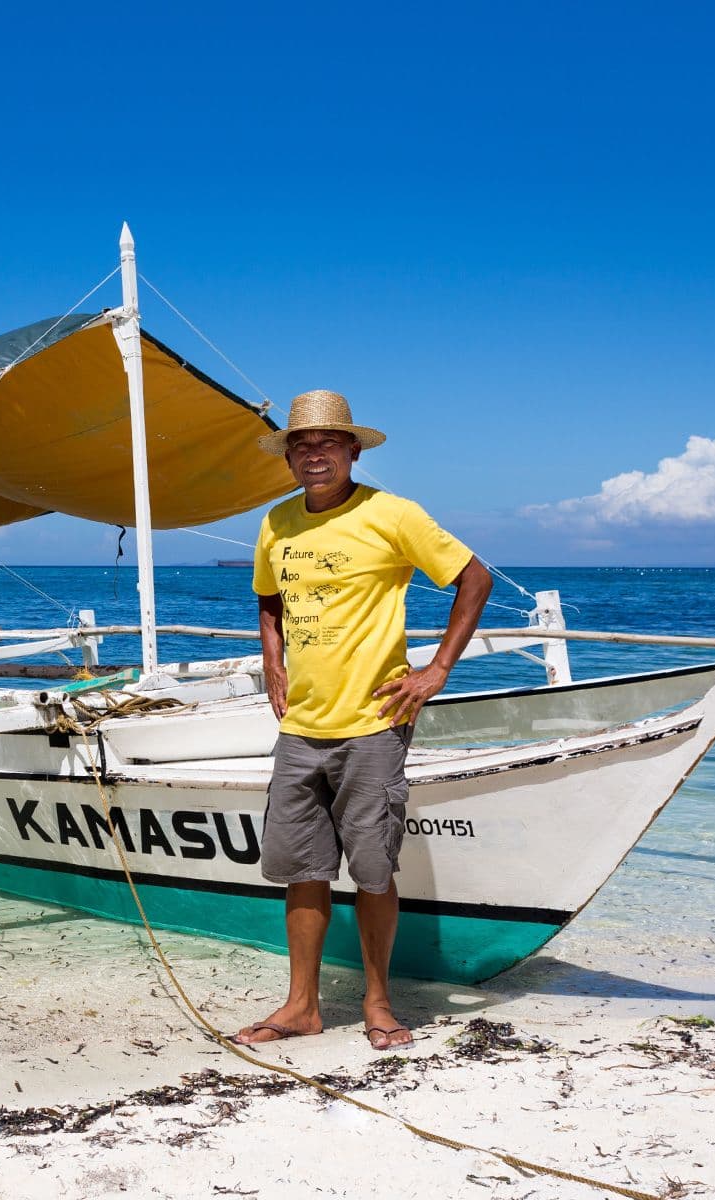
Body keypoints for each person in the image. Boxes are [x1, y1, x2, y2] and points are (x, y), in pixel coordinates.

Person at [235, 390, 492, 1051]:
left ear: (352, 450)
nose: (313, 452)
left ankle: (379, 1002)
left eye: (327, 442)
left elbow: (474, 578)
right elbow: (269, 600)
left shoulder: (392, 514)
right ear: (289, 456)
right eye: (300, 443)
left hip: (374, 723)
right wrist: (273, 664)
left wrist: (436, 671)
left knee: (373, 871)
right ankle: (302, 1006)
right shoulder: (276, 523)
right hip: (299, 730)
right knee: (302, 870)